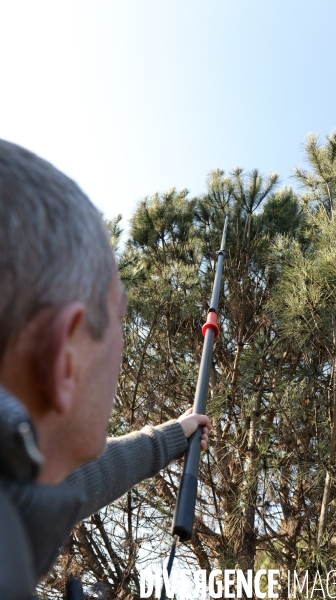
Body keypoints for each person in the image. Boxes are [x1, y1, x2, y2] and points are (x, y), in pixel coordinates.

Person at [0, 139, 211, 599]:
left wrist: (172, 436)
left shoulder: (16, 489)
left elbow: (71, 477)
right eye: (119, 315)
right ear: (66, 357)